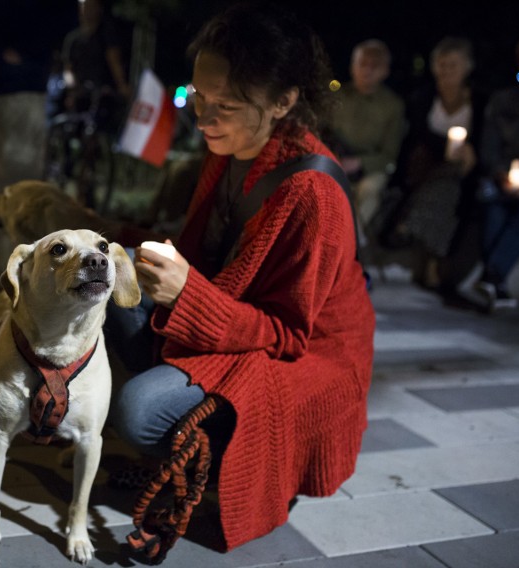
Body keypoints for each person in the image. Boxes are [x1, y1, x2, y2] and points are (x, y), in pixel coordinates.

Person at [104, 2, 375, 553]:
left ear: (283, 102)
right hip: (237, 319)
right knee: (114, 273)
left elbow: (289, 334)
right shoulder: (229, 148)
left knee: (136, 411)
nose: (203, 118)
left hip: (302, 358)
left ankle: (223, 457)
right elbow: (212, 254)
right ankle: (185, 428)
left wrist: (188, 296)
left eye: (225, 104)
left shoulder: (312, 193)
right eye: (199, 96)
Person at [0, 0, 77, 302]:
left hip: (21, 80)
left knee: (18, 188)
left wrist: (30, 51)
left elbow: (65, 16)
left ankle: (12, 281)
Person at [385, 37, 487, 295]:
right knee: (446, 185)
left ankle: (408, 224)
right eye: (442, 64)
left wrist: (471, 154)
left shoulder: (480, 101)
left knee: (451, 186)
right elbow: (414, 139)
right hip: (426, 166)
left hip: (462, 171)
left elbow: (483, 142)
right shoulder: (423, 98)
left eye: (453, 65)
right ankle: (430, 265)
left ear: (467, 67)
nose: (447, 71)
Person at [325, 39, 405, 238]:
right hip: (333, 159)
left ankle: (351, 238)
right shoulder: (337, 95)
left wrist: (360, 163)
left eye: (375, 66)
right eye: (362, 64)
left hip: (369, 169)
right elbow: (320, 130)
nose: (367, 71)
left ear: (385, 71)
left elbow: (389, 155)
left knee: (369, 191)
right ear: (353, 66)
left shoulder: (393, 105)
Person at [474, 34, 519, 310]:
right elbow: (489, 147)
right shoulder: (503, 100)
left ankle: (492, 277)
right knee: (492, 203)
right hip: (499, 178)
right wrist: (501, 174)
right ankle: (496, 282)